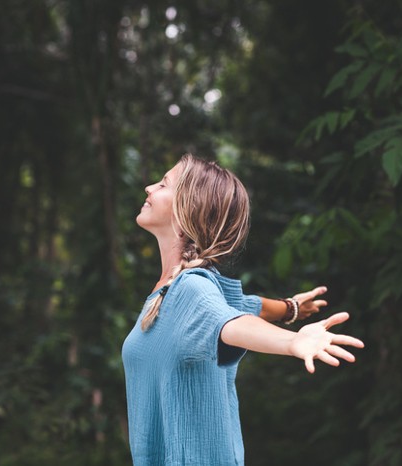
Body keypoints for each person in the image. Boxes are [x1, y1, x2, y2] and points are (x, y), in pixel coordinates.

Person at [121, 154, 364, 465]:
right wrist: (289, 309)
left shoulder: (191, 289)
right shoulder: (172, 291)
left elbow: (232, 323)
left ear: (186, 211)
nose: (149, 187)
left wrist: (292, 341)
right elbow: (243, 306)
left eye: (163, 184)